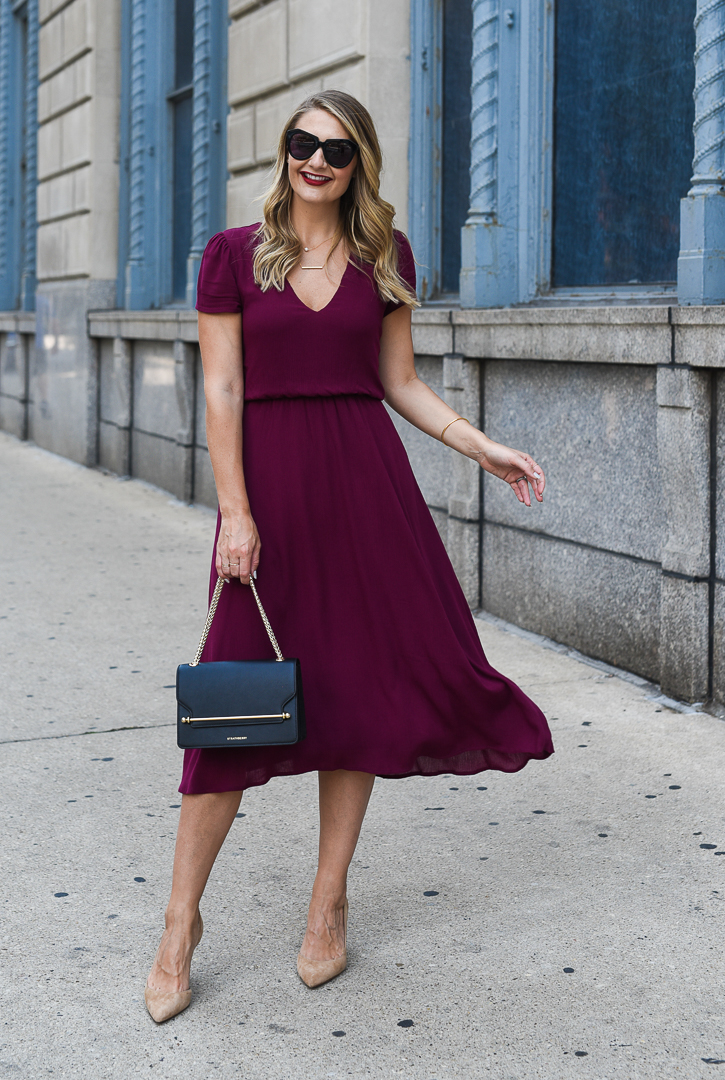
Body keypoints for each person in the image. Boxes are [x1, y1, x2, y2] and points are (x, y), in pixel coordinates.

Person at [144, 90, 553, 1023]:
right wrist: (235, 514)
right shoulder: (232, 256)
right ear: (284, 152)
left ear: (359, 161)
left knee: (357, 694)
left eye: (334, 148)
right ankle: (179, 923)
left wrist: (475, 443)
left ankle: (328, 902)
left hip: (366, 492)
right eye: (301, 144)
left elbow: (397, 381)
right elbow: (221, 388)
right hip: (271, 498)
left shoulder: (384, 257)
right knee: (230, 706)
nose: (315, 160)